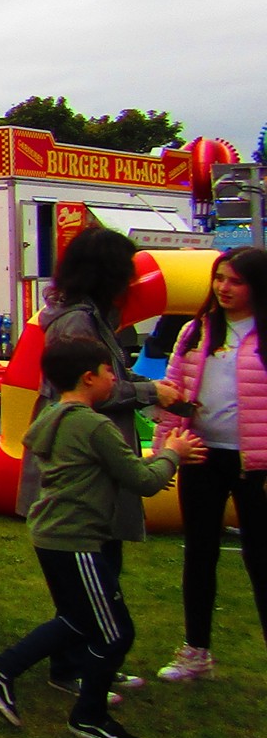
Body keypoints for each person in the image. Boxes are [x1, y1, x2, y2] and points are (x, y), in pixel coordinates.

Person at [0, 336, 204, 738]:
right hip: (75, 539)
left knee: (77, 620)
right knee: (115, 633)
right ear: (89, 378)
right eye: (109, 370)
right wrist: (173, 453)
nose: (115, 378)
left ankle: (1, 670)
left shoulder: (53, 415)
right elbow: (144, 481)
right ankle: (89, 716)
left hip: (52, 534)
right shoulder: (95, 426)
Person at [17, 226, 181, 695]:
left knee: (101, 572)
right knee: (88, 580)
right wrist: (150, 392)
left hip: (92, 467)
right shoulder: (77, 323)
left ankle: (96, 659)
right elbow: (82, 390)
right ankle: (71, 667)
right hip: (83, 472)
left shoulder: (91, 316)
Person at [151, 246, 267, 683]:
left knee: (261, 557)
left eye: (236, 281)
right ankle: (196, 649)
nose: (224, 288)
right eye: (219, 278)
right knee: (199, 553)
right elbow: (174, 389)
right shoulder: (196, 330)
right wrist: (166, 448)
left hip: (255, 463)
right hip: (201, 454)